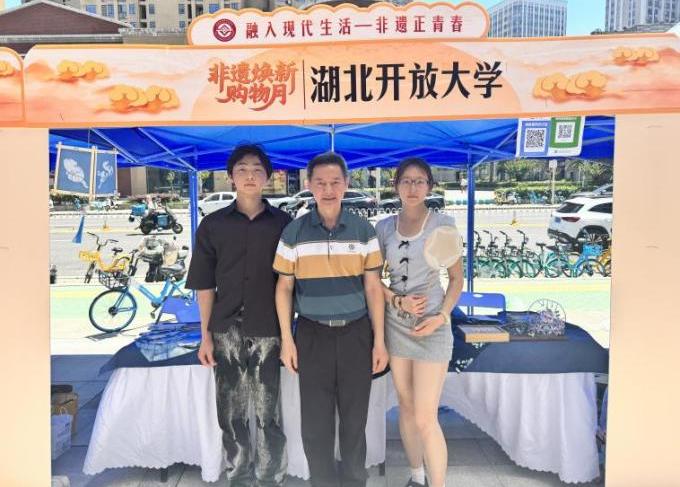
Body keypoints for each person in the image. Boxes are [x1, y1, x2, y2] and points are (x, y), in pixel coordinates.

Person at [273, 152, 389, 487]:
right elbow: (284, 288)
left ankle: (354, 482)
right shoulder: (294, 231)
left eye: (335, 182)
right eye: (320, 182)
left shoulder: (363, 230)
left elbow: (373, 287)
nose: (328, 189)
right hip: (312, 335)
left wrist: (379, 341)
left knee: (355, 421)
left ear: (346, 184)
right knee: (315, 424)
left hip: (356, 334)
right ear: (309, 185)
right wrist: (287, 339)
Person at [186, 144, 291, 487]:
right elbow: (204, 286)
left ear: (268, 176)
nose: (249, 175)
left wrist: (289, 335)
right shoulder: (213, 225)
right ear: (230, 176)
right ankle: (239, 475)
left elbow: (292, 284)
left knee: (267, 410)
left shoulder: (284, 224)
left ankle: (270, 476)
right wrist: (205, 336)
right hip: (225, 329)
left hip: (269, 328)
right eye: (242, 169)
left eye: (257, 169)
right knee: (230, 411)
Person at [375, 158, 464, 487]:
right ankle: (416, 476)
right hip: (397, 325)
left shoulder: (442, 225)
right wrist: (397, 300)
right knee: (406, 406)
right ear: (396, 185)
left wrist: (441, 316)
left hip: (432, 325)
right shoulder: (384, 227)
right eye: (406, 181)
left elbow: (456, 279)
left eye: (420, 181)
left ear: (430, 186)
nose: (412, 188)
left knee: (426, 416)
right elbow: (373, 281)